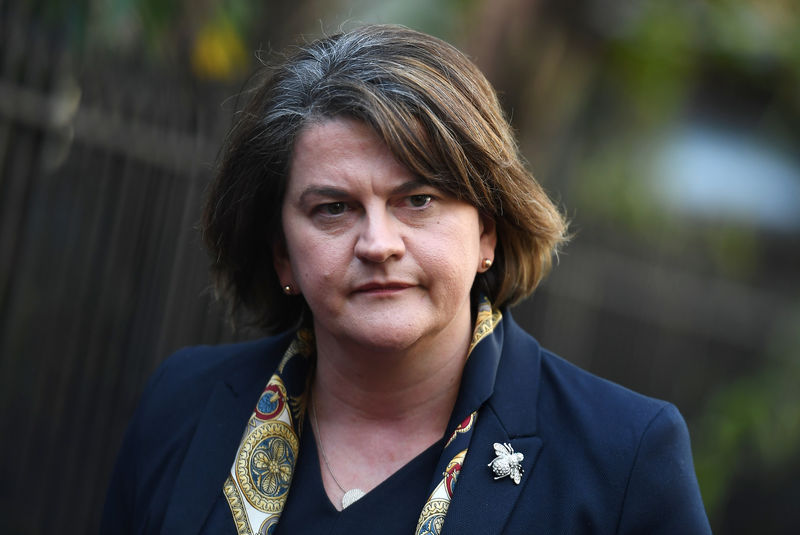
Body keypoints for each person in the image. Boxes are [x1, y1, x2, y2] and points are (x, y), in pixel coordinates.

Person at [102, 24, 711, 534]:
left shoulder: (622, 458)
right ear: (282, 255)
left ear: (488, 234)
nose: (378, 244)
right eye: (333, 209)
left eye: (418, 200)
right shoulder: (181, 406)